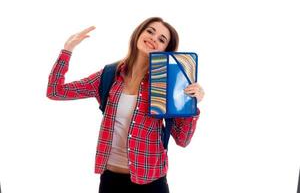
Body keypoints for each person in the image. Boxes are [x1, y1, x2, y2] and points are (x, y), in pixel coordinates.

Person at [47, 17, 205, 193]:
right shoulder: (109, 75)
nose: (153, 38)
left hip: (151, 183)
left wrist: (192, 105)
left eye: (162, 39)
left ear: (166, 50)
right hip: (111, 180)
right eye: (150, 31)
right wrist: (67, 50)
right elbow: (55, 91)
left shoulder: (167, 85)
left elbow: (182, 140)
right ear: (139, 33)